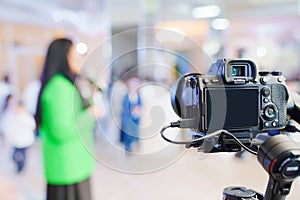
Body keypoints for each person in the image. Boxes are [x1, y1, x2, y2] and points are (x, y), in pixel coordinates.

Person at [35, 38, 103, 200]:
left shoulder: (62, 84)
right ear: (63, 58)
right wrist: (89, 114)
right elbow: (62, 130)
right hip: (68, 169)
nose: (80, 60)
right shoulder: (60, 87)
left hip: (69, 166)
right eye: (75, 56)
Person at [1, 95, 35, 173]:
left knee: (22, 155)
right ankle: (19, 163)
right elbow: (9, 127)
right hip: (16, 141)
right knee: (14, 156)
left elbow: (32, 125)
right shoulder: (13, 117)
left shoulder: (27, 118)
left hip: (25, 141)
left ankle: (21, 165)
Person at [120, 76, 142, 153]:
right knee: (127, 134)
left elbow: (141, 104)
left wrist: (138, 110)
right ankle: (127, 147)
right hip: (128, 119)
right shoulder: (126, 96)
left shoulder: (139, 96)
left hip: (136, 119)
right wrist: (131, 110)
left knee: (135, 132)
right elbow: (124, 107)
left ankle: (134, 145)